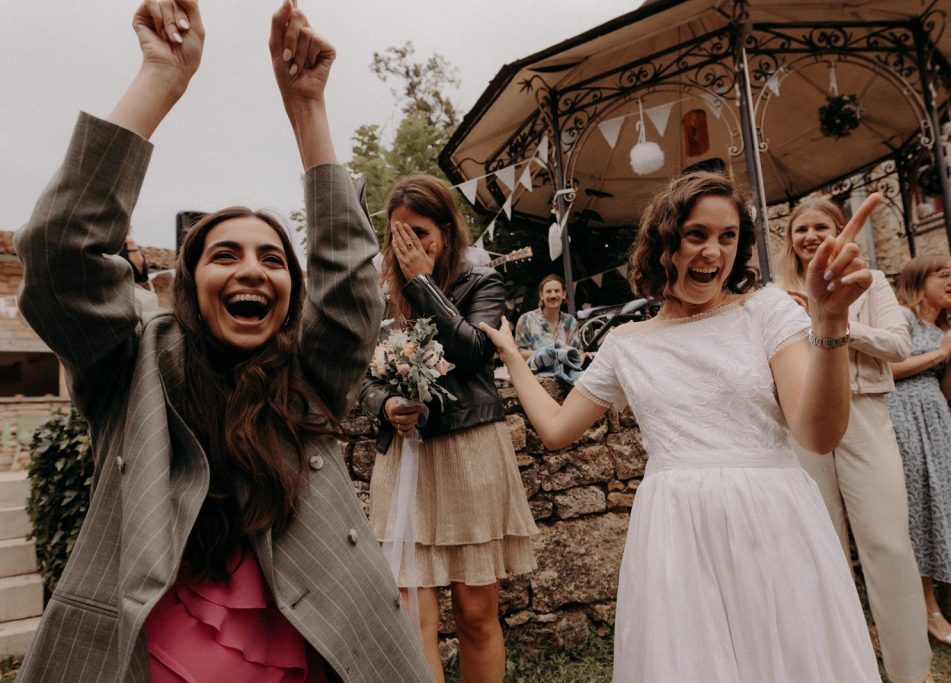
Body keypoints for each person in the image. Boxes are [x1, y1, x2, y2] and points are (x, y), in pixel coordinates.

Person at [14, 1, 432, 681]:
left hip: (306, 647)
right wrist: (160, 77)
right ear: (188, 283)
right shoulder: (133, 359)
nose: (250, 269)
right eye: (224, 254)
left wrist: (308, 109)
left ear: (293, 293)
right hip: (151, 655)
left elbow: (351, 284)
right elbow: (60, 251)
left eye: (273, 259)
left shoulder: (309, 374)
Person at [481, 172, 883, 681]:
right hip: (677, 535)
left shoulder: (767, 311)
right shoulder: (628, 344)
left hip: (774, 522)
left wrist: (830, 324)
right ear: (664, 240)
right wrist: (513, 358)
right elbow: (558, 430)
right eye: (697, 234)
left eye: (727, 236)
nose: (713, 252)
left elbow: (818, 435)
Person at [359, 174, 538, 683]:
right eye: (397, 233)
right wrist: (385, 403)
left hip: (469, 455)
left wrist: (423, 283)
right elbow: (361, 379)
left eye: (418, 231)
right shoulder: (380, 295)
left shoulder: (483, 283)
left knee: (476, 616)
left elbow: (475, 351)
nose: (407, 244)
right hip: (406, 462)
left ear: (445, 230)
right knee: (412, 620)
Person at [775, 197, 931, 683]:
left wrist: (833, 317)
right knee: (821, 546)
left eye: (821, 226)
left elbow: (898, 344)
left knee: (887, 543)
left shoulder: (873, 282)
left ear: (841, 230)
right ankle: (840, 667)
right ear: (790, 241)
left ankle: (910, 670)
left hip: (865, 413)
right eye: (800, 229)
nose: (810, 236)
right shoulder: (778, 294)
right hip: (804, 421)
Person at [887, 255, 951, 655]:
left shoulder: (938, 326)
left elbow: (947, 390)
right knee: (922, 512)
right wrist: (944, 350)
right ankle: (928, 610)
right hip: (906, 420)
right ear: (916, 280)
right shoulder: (901, 319)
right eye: (943, 275)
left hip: (938, 420)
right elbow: (887, 369)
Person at [514, 274, 583, 381]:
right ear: (541, 295)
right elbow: (519, 354)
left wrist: (586, 355)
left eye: (557, 291)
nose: (553, 295)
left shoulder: (570, 321)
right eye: (548, 291)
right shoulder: (526, 319)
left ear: (564, 294)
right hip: (534, 380)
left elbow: (578, 354)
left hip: (566, 379)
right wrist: (550, 353)